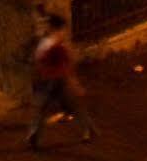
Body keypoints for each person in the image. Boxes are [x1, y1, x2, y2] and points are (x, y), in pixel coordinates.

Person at [26, 11, 96, 149]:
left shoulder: (56, 44)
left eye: (47, 24)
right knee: (41, 108)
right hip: (47, 81)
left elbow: (66, 65)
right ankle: (34, 135)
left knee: (72, 107)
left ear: (52, 26)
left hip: (58, 81)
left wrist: (74, 83)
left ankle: (88, 129)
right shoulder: (47, 41)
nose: (44, 26)